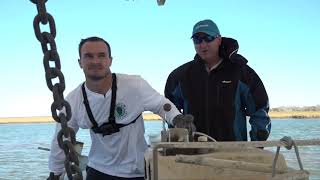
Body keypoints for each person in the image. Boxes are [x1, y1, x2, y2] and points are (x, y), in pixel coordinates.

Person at [48, 36, 190, 180]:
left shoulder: (135, 85)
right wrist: (55, 173)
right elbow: (61, 139)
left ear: (110, 60)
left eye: (101, 56)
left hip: (138, 171)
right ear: (80, 62)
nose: (95, 61)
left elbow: (161, 105)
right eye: (89, 56)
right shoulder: (73, 101)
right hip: (98, 170)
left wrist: (177, 118)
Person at [165, 19, 271, 142]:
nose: (203, 45)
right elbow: (169, 109)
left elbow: (259, 110)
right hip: (193, 150)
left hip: (232, 151)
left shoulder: (242, 73)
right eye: (197, 40)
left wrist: (257, 145)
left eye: (208, 38)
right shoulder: (180, 76)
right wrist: (177, 137)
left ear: (219, 39)